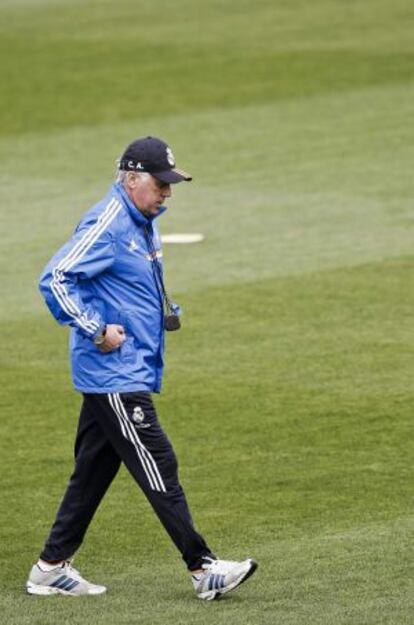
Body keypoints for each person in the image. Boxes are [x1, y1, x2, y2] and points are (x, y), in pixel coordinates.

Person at [26, 136, 257, 600]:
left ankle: (50, 568)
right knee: (158, 462)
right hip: (113, 370)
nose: (168, 192)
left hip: (124, 368)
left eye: (171, 184)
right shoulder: (109, 221)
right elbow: (55, 277)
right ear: (131, 180)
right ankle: (203, 568)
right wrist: (95, 328)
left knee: (92, 472)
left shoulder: (142, 218)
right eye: (160, 183)